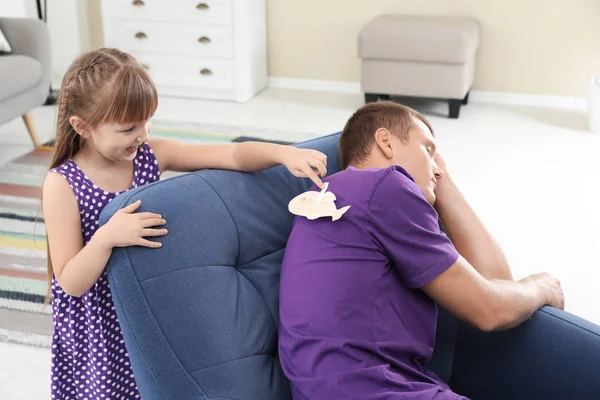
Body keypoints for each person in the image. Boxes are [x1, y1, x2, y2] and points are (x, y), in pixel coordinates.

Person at [42, 48, 328, 400]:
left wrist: (284, 154)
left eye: (148, 121)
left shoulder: (151, 155)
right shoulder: (62, 184)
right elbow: (69, 281)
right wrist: (105, 239)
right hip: (96, 329)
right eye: (129, 127)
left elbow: (232, 155)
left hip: (142, 306)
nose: (143, 135)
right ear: (82, 127)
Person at [278, 101, 564, 400]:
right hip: (370, 389)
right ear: (385, 141)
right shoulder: (384, 186)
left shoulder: (329, 194)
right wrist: (541, 286)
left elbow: (496, 282)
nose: (438, 168)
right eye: (428, 149)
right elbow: (491, 310)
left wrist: (441, 180)